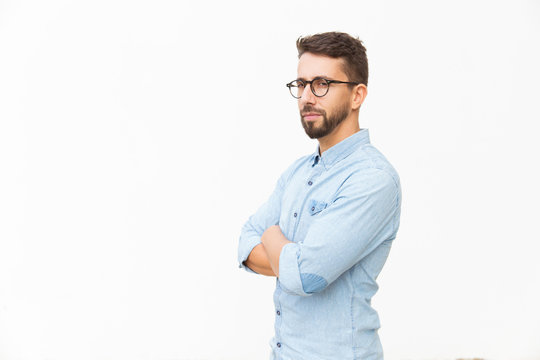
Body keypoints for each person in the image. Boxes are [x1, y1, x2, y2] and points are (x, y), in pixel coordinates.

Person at [237, 31, 402, 360]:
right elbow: (244, 245)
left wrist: (272, 236)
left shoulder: (372, 179)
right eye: (301, 84)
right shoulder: (298, 172)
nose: (307, 97)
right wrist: (290, 259)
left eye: (322, 84)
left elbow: (306, 276)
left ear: (357, 95)